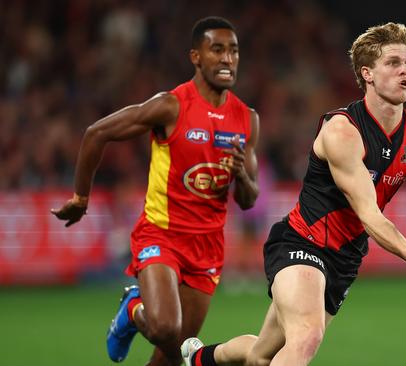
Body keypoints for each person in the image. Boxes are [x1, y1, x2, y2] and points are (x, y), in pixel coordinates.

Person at [180, 22, 406, 366]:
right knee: (307, 336)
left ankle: (198, 358)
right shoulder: (342, 131)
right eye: (393, 62)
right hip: (302, 243)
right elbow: (368, 211)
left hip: (344, 260)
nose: (404, 70)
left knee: (260, 356)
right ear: (368, 74)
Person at [51, 16, 260, 365]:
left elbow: (248, 200)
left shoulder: (246, 119)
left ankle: (138, 315)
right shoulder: (171, 106)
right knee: (166, 329)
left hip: (207, 245)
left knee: (171, 356)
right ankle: (133, 307)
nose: (227, 59)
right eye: (217, 50)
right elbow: (95, 134)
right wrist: (81, 197)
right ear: (196, 56)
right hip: (161, 234)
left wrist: (242, 177)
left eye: (234, 51)